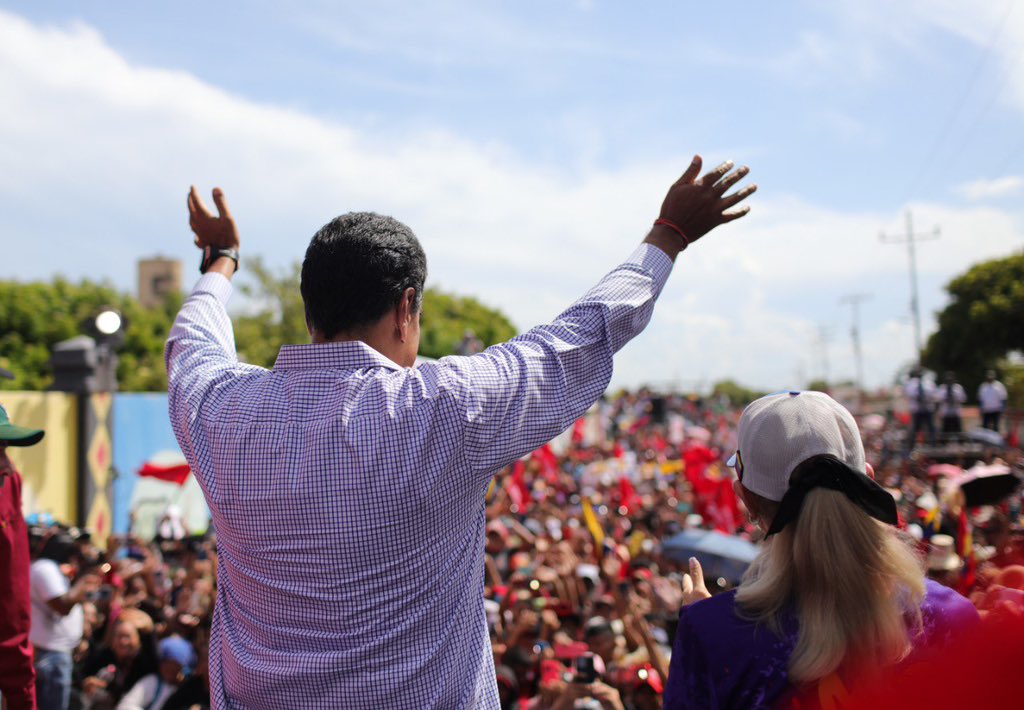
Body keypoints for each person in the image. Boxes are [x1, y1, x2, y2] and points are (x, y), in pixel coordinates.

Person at [165, 155, 756, 707]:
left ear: (309, 309)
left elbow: (192, 337)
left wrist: (221, 259)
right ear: (406, 308)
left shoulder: (222, 410)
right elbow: (578, 338)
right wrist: (668, 235)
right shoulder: (445, 407)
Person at [663, 391, 979, 708]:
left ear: (746, 499)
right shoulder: (954, 616)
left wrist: (711, 633)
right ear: (869, 477)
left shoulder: (711, 636)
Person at [0, 401, 45, 710]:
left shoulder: (8, 483)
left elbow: (12, 600)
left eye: (5, 448)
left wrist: (21, 696)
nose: (7, 464)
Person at [30, 531, 100, 709]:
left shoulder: (54, 569)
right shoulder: (44, 567)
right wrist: (82, 584)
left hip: (57, 656)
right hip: (49, 657)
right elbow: (62, 605)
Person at [903, 367, 935, 449]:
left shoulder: (927, 383)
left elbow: (932, 393)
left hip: (927, 409)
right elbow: (909, 394)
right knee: (915, 429)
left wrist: (925, 397)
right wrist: (918, 396)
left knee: (930, 428)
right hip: (917, 410)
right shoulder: (911, 384)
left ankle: (932, 444)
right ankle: (912, 445)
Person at [935, 371, 966, 436]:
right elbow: (938, 399)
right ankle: (944, 442)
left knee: (958, 429)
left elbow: (963, 399)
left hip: (955, 411)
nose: (949, 381)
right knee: (945, 429)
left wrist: (955, 396)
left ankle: (961, 442)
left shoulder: (958, 388)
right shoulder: (942, 388)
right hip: (946, 412)